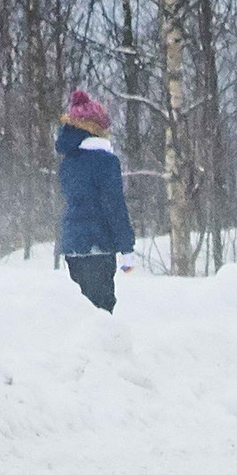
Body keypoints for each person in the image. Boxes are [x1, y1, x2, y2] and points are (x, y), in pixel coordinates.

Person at [55, 88, 136, 312]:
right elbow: (114, 206)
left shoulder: (68, 162)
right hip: (98, 245)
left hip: (72, 244)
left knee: (82, 311)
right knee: (102, 310)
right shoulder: (104, 161)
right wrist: (126, 247)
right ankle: (103, 348)